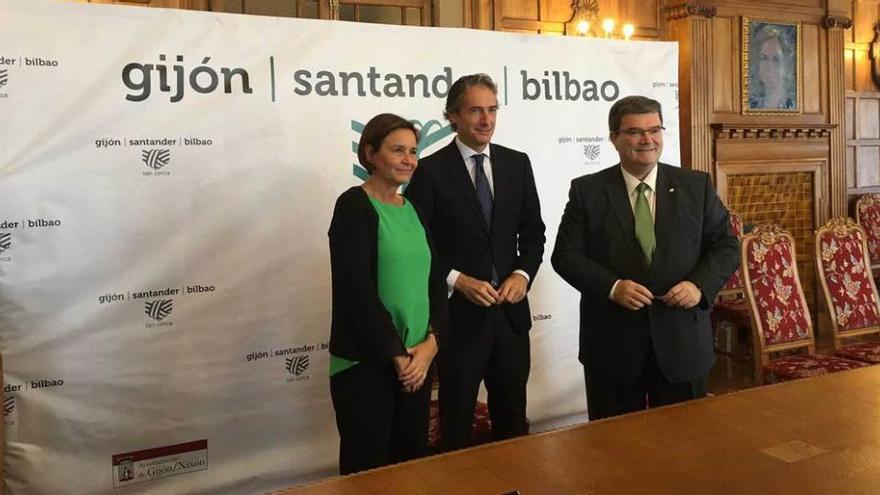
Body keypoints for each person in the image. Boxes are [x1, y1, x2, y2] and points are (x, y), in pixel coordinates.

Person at [551, 95, 739, 420]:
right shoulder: (587, 191)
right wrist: (612, 287)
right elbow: (565, 256)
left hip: (683, 344)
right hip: (613, 347)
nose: (647, 140)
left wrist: (698, 286)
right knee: (615, 453)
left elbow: (726, 246)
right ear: (614, 138)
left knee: (687, 448)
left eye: (654, 130)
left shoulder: (696, 186)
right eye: (635, 132)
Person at [405, 74, 546, 450]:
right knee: (456, 426)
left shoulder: (517, 164)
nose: (486, 120)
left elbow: (534, 233)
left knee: (513, 423)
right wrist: (456, 279)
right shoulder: (428, 172)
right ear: (452, 116)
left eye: (492, 109)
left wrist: (522, 274)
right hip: (457, 320)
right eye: (475, 111)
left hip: (511, 317)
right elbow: (419, 246)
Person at [327, 113, 448, 474]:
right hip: (368, 366)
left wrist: (430, 347)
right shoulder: (353, 206)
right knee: (370, 474)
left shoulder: (413, 210)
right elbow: (356, 291)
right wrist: (397, 356)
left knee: (410, 472)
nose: (409, 159)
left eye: (413, 151)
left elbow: (435, 283)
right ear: (370, 154)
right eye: (398, 150)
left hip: (418, 363)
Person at [750, 27, 795, 110]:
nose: (769, 66)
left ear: (786, 65)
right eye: (764, 58)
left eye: (776, 59)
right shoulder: (751, 106)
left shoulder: (794, 106)